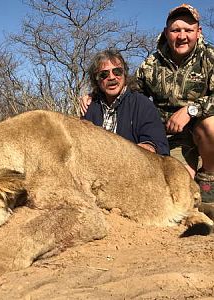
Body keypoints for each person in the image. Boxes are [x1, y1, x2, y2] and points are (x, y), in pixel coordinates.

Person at [81, 4, 214, 203]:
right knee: (179, 189)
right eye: (176, 30)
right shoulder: (151, 64)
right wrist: (93, 95)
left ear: (198, 32)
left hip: (200, 130)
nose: (182, 36)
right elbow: (127, 88)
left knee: (211, 126)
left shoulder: (210, 57)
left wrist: (191, 110)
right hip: (170, 135)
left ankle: (208, 178)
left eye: (188, 30)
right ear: (166, 32)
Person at [81, 49, 170, 156]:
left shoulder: (142, 104)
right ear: (96, 80)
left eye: (117, 71)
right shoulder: (89, 108)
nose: (111, 77)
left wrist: (144, 149)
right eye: (104, 74)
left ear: (125, 74)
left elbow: (158, 145)